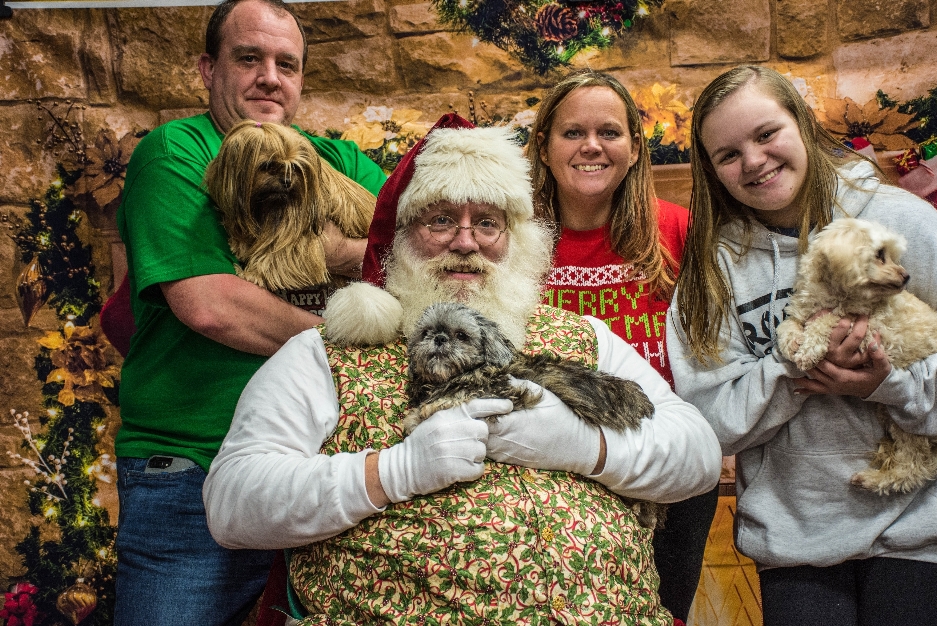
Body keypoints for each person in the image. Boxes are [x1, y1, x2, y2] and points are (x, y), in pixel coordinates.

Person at [203, 114, 722, 625]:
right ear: (399, 236)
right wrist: (392, 472)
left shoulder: (583, 335)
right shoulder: (327, 353)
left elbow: (698, 455)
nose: (466, 242)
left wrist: (589, 448)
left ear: (515, 237)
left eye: (488, 222)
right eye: (441, 219)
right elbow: (232, 502)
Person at [112, 0, 386, 623]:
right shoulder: (177, 152)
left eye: (285, 64)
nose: (269, 76)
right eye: (248, 58)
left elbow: (421, 243)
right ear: (208, 70)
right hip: (195, 471)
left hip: (327, 472)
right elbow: (212, 306)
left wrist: (334, 251)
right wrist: (362, 346)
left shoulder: (340, 162)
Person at [667, 64, 937, 626]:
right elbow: (711, 423)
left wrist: (891, 385)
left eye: (766, 134)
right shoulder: (714, 272)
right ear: (710, 170)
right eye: (727, 154)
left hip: (922, 528)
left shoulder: (896, 222)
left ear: (801, 124)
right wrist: (792, 368)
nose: (753, 161)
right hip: (797, 540)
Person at [525, 68, 719, 624]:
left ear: (635, 147)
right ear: (543, 147)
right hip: (558, 466)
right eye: (572, 133)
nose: (592, 146)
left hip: (664, 461)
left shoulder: (679, 229)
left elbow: (716, 343)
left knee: (665, 612)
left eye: (609, 132)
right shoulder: (511, 238)